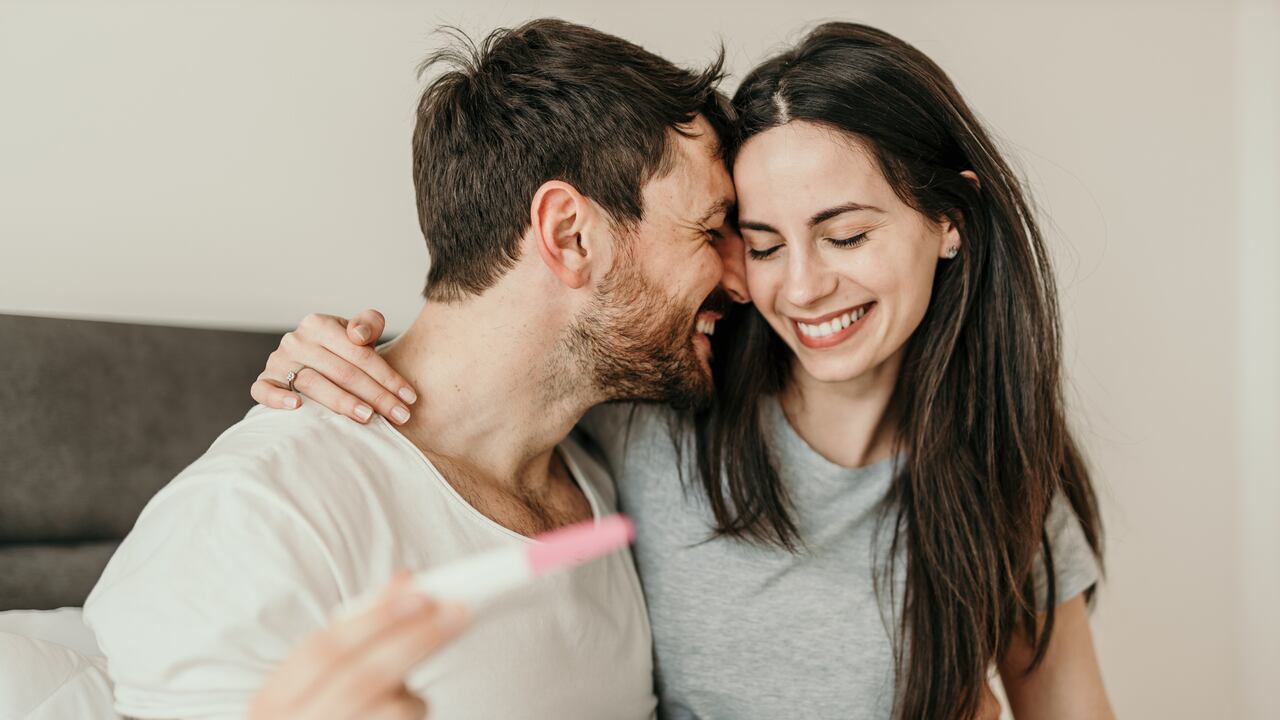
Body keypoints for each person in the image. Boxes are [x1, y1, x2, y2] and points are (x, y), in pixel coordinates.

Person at [258, 22, 1114, 720]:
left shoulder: (1006, 469)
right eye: (761, 242)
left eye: (847, 235)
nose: (801, 286)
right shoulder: (660, 407)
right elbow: (501, 361)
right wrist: (334, 357)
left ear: (950, 220)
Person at [85, 18, 740, 720]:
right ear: (569, 234)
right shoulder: (256, 515)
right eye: (709, 230)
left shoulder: (601, 471)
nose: (741, 278)